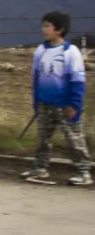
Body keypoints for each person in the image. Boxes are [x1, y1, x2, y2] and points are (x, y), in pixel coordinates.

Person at [21, 12, 92, 186]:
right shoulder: (40, 51)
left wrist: (74, 104)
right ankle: (40, 168)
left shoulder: (70, 52)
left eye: (47, 25)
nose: (43, 29)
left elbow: (77, 81)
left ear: (59, 30)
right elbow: (36, 77)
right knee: (43, 138)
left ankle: (84, 172)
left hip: (65, 105)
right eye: (43, 25)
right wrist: (36, 101)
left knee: (74, 139)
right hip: (44, 103)